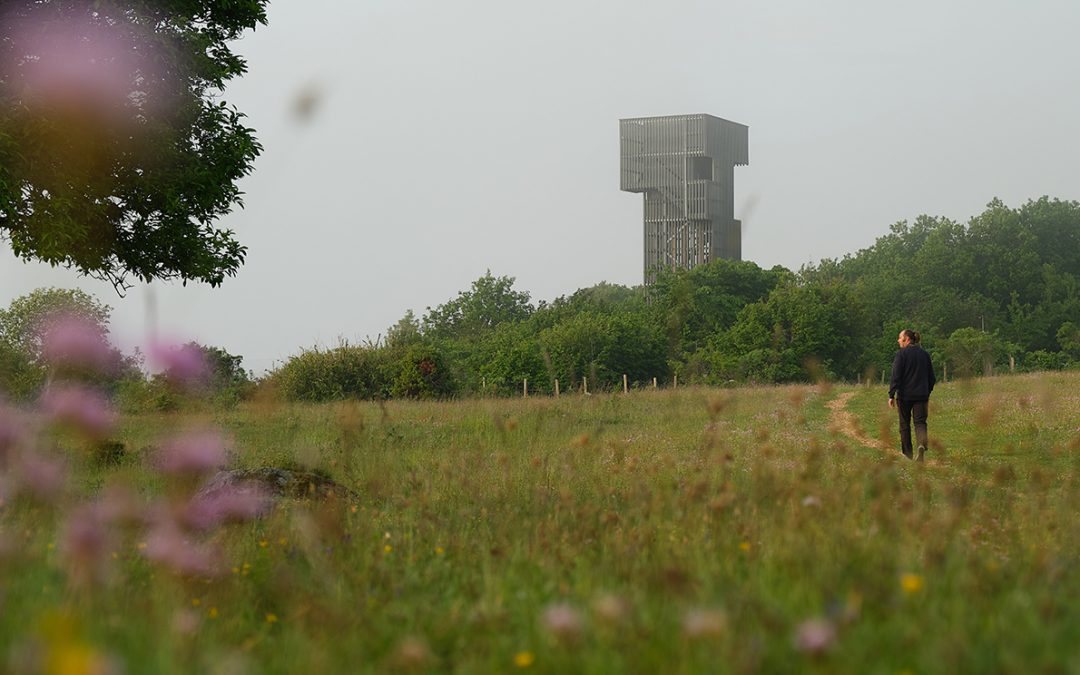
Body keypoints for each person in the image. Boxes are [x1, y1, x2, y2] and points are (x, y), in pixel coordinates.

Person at [888, 329, 935, 461]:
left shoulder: (901, 354)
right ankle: (921, 445)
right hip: (921, 396)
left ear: (907, 339)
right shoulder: (924, 355)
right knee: (920, 422)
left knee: (904, 424)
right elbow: (932, 377)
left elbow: (896, 376)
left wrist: (891, 394)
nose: (898, 340)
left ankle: (907, 454)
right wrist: (927, 391)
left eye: (900, 338)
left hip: (905, 396)